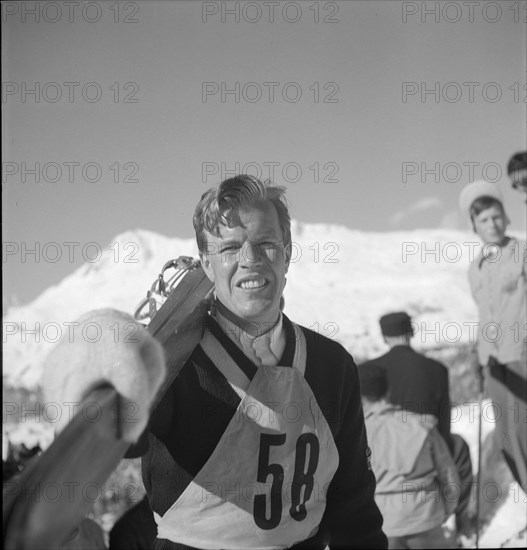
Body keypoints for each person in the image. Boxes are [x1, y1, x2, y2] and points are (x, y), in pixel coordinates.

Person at [45, 175, 387, 549]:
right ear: (206, 264)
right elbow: (118, 436)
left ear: (287, 254)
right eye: (230, 248)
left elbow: (354, 507)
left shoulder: (331, 364)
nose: (250, 260)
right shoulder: (171, 360)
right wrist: (99, 357)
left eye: (266, 244)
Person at [359, 312, 473, 535]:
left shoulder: (370, 370)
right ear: (411, 332)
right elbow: (444, 425)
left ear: (384, 338)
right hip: (426, 448)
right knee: (460, 447)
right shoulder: (437, 369)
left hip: (379, 455)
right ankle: (462, 521)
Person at [459, 179, 527, 492]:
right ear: (474, 226)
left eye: (497, 215)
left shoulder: (523, 252)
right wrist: (478, 357)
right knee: (506, 438)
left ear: (507, 216)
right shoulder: (475, 268)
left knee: (524, 432)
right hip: (493, 362)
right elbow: (485, 314)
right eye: (484, 219)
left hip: (521, 355)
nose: (492, 224)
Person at [358, 363, 459, 549]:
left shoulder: (356, 434)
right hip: (426, 517)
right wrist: (447, 509)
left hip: (382, 523)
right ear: (388, 391)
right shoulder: (422, 426)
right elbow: (448, 473)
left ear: (360, 396)